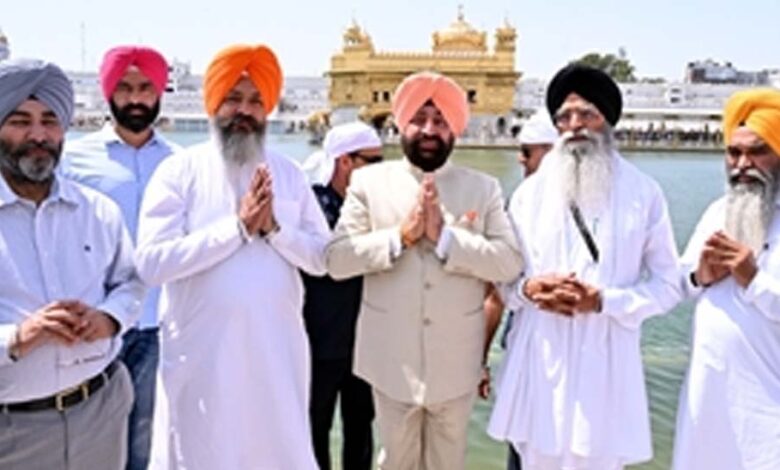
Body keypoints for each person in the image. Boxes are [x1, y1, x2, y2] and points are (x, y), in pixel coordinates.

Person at [136, 44, 330, 469]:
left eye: (256, 101)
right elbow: (152, 263)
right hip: (203, 358)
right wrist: (236, 230)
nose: (245, 110)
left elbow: (322, 258)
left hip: (275, 356)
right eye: (234, 98)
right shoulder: (178, 171)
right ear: (213, 103)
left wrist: (276, 230)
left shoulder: (290, 174)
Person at [487, 64, 682, 470]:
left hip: (605, 369)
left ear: (607, 120)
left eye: (586, 114)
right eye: (564, 117)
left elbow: (669, 286)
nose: (574, 125)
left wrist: (604, 302)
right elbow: (503, 283)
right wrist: (529, 290)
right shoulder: (528, 195)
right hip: (540, 364)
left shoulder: (643, 194)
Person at [326, 71, 523, 470]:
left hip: (456, 362)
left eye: (440, 120)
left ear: (455, 130)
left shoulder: (482, 188)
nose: (430, 130)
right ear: (400, 124)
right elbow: (337, 260)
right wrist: (400, 236)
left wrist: (446, 239)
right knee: (395, 461)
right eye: (419, 119)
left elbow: (509, 263)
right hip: (390, 360)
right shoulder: (368, 183)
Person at [0, 58, 143, 469]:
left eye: (50, 121)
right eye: (20, 121)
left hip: (100, 413)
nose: (38, 135)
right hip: (12, 430)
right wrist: (18, 338)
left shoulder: (98, 211)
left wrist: (109, 319)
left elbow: (131, 282)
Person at [61, 45, 179, 470]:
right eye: (125, 88)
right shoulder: (71, 160)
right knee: (85, 440)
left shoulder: (180, 164)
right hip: (92, 324)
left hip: (160, 323)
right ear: (108, 92)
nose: (135, 98)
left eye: (145, 87)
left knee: (146, 441)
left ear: (159, 92)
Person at [672, 89, 780, 470]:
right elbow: (678, 283)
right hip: (709, 399)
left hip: (767, 404)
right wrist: (700, 275)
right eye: (734, 153)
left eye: (757, 152)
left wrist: (754, 279)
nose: (743, 164)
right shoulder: (718, 212)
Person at [300, 121, 382, 470]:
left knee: (361, 428)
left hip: (364, 340)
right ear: (345, 161)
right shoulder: (312, 207)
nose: (380, 171)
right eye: (373, 162)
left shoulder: (375, 206)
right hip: (318, 342)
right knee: (313, 429)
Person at [483, 107, 559, 470]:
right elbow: (499, 289)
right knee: (521, 443)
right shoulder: (522, 203)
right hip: (524, 343)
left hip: (574, 352)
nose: (520, 159)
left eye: (527, 151)